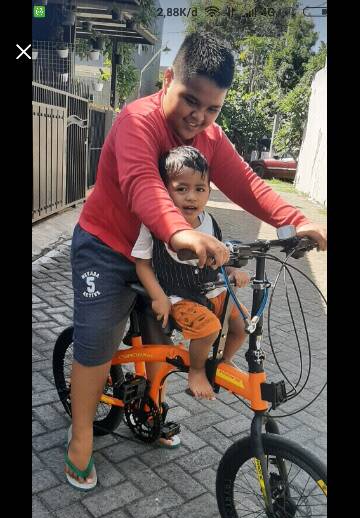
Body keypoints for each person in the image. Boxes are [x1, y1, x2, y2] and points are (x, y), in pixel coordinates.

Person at [66, 31, 327, 490]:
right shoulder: (136, 122)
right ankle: (81, 434)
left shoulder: (209, 136)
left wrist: (294, 219)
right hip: (108, 247)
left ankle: (148, 407)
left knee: (164, 329)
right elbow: (143, 185)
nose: (199, 117)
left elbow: (249, 184)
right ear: (168, 80)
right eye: (191, 100)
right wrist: (182, 231)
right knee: (99, 339)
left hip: (168, 253)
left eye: (213, 108)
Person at [132, 146, 250, 401]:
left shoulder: (210, 222)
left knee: (243, 324)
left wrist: (232, 271)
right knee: (208, 329)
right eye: (181, 189)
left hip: (214, 290)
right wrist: (159, 297)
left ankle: (223, 362)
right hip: (178, 296)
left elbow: (220, 258)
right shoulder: (153, 223)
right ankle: (196, 371)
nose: (191, 197)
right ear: (166, 191)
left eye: (199, 189)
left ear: (209, 191)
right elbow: (141, 263)